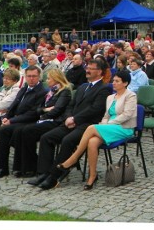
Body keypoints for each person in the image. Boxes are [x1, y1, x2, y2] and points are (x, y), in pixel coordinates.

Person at [42, 70, 137, 190]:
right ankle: (92, 176)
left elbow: (127, 115)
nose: (113, 83)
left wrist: (106, 125)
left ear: (125, 83)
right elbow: (106, 115)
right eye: (113, 80)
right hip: (108, 126)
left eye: (117, 81)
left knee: (91, 127)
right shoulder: (110, 97)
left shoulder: (131, 96)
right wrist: (104, 124)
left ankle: (74, 158)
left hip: (123, 127)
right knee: (92, 142)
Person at [33, 58, 111, 190]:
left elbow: (95, 110)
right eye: (88, 67)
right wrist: (69, 117)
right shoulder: (82, 87)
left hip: (88, 125)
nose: (88, 70)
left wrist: (75, 119)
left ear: (100, 72)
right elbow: (71, 105)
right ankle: (44, 172)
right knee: (47, 137)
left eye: (92, 68)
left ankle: (54, 176)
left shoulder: (103, 89)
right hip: (71, 122)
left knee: (67, 140)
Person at [0, 66, 48, 178]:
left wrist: (11, 120)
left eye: (34, 76)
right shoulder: (24, 88)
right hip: (14, 119)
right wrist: (6, 117)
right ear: (25, 77)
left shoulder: (41, 91)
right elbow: (13, 107)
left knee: (4, 131)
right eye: (29, 76)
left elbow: (33, 113)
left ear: (39, 77)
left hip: (27, 121)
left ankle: (2, 168)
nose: (31, 78)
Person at [17, 69, 72, 180]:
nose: (47, 81)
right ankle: (29, 165)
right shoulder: (51, 92)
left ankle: (39, 169)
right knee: (22, 131)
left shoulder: (64, 91)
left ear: (56, 79)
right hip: (46, 119)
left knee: (28, 131)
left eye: (49, 78)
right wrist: (45, 110)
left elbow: (57, 110)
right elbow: (39, 109)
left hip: (56, 121)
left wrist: (44, 114)